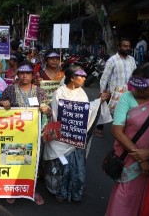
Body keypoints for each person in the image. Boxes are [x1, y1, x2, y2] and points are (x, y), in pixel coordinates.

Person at [43, 65, 110, 202]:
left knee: (78, 171)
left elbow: (86, 111)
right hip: (61, 138)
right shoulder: (59, 93)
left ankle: (74, 192)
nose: (85, 78)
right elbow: (57, 117)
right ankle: (60, 192)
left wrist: (99, 101)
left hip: (76, 138)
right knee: (63, 169)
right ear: (72, 78)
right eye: (82, 76)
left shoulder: (81, 92)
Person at [0, 61, 51, 205]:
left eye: (27, 73)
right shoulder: (10, 90)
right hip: (15, 133)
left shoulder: (39, 91)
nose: (24, 76)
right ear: (18, 75)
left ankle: (32, 190)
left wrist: (46, 109)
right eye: (22, 73)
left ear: (32, 76)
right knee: (14, 162)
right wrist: (3, 104)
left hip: (34, 135)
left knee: (32, 163)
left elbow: (49, 108)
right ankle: (13, 189)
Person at [105, 64, 149, 216]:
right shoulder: (127, 97)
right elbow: (117, 130)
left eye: (144, 86)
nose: (139, 90)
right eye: (136, 84)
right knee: (123, 198)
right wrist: (141, 158)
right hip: (128, 160)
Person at [97, 38, 136, 138]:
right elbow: (104, 77)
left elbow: (135, 75)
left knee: (125, 113)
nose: (127, 48)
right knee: (105, 111)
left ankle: (121, 132)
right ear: (119, 47)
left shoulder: (131, 59)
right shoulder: (112, 60)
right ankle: (99, 128)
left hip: (128, 92)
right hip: (114, 93)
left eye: (128, 46)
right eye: (125, 46)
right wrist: (102, 91)